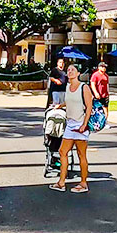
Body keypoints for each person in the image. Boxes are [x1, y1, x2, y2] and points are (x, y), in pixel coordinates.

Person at [49, 63, 92, 194]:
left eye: (73, 70)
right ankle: (61, 182)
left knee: (81, 154)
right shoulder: (68, 87)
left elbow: (89, 107)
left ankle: (83, 183)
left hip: (80, 124)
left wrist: (84, 124)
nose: (70, 71)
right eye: (68, 70)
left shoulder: (84, 87)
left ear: (78, 73)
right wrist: (59, 106)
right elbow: (69, 101)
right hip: (70, 123)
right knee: (63, 151)